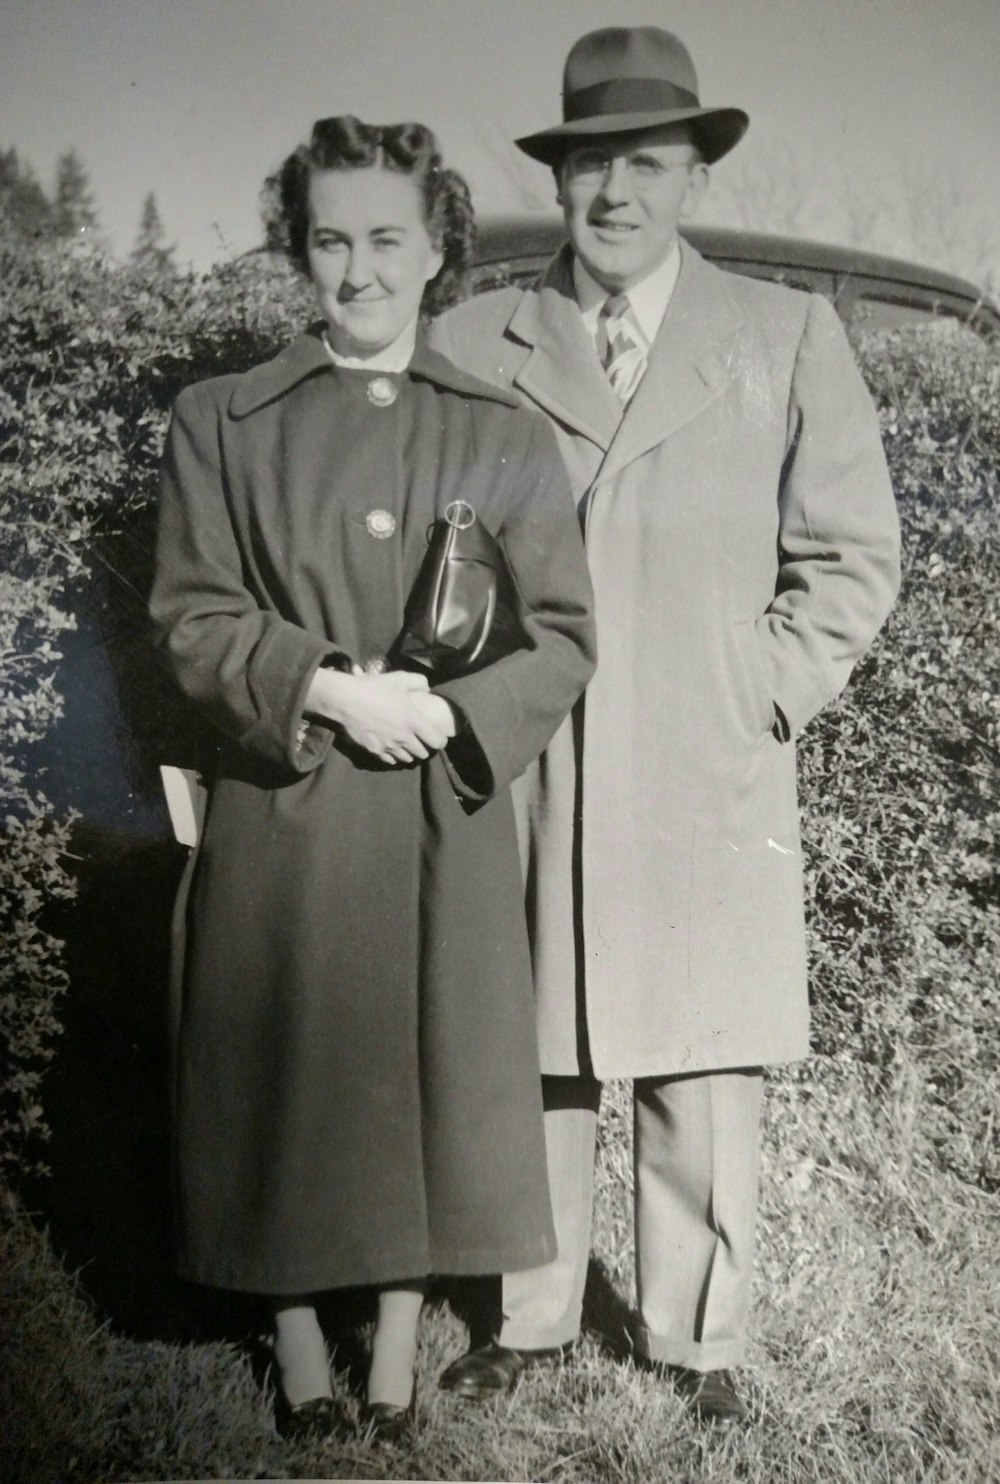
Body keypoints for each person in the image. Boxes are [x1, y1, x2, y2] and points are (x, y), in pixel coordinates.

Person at [431, 27, 900, 1425]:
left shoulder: (785, 334)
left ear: (693, 173)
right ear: (560, 182)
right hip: (531, 756)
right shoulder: (475, 339)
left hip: (707, 760)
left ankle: (699, 1341)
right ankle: (525, 1313)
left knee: (701, 1049)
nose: (616, 195)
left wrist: (757, 690)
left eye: (647, 163)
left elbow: (851, 558)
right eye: (591, 167)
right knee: (538, 1041)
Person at [149, 115, 595, 1443]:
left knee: (413, 1056)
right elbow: (190, 616)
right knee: (279, 1058)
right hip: (285, 803)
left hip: (437, 810)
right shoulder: (219, 422)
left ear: (438, 247)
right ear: (299, 247)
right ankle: (296, 1352)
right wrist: (326, 689)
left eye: (387, 240)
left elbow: (565, 635)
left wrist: (444, 713)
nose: (358, 273)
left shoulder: (503, 434)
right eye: (331, 240)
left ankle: (395, 1355)